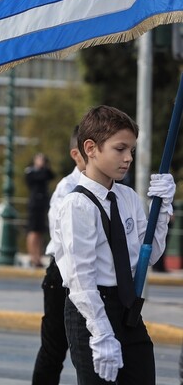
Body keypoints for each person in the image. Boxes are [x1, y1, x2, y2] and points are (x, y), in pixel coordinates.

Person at [54, 105, 175, 384]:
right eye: (120, 149)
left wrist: (162, 209)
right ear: (91, 148)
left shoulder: (128, 197)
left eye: (131, 150)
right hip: (92, 311)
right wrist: (101, 333)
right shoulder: (76, 205)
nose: (128, 158)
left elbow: (149, 254)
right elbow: (80, 278)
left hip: (127, 308)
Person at [32, 126, 85, 385]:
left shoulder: (116, 188)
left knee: (90, 355)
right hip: (62, 275)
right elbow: (66, 240)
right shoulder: (68, 189)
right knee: (54, 350)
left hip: (91, 277)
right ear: (77, 154)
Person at [24, 152, 55, 267]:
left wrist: (46, 166)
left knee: (40, 232)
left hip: (43, 204)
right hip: (34, 204)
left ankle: (38, 256)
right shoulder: (31, 171)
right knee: (33, 231)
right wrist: (40, 168)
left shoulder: (45, 171)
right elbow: (36, 178)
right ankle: (32, 257)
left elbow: (51, 175)